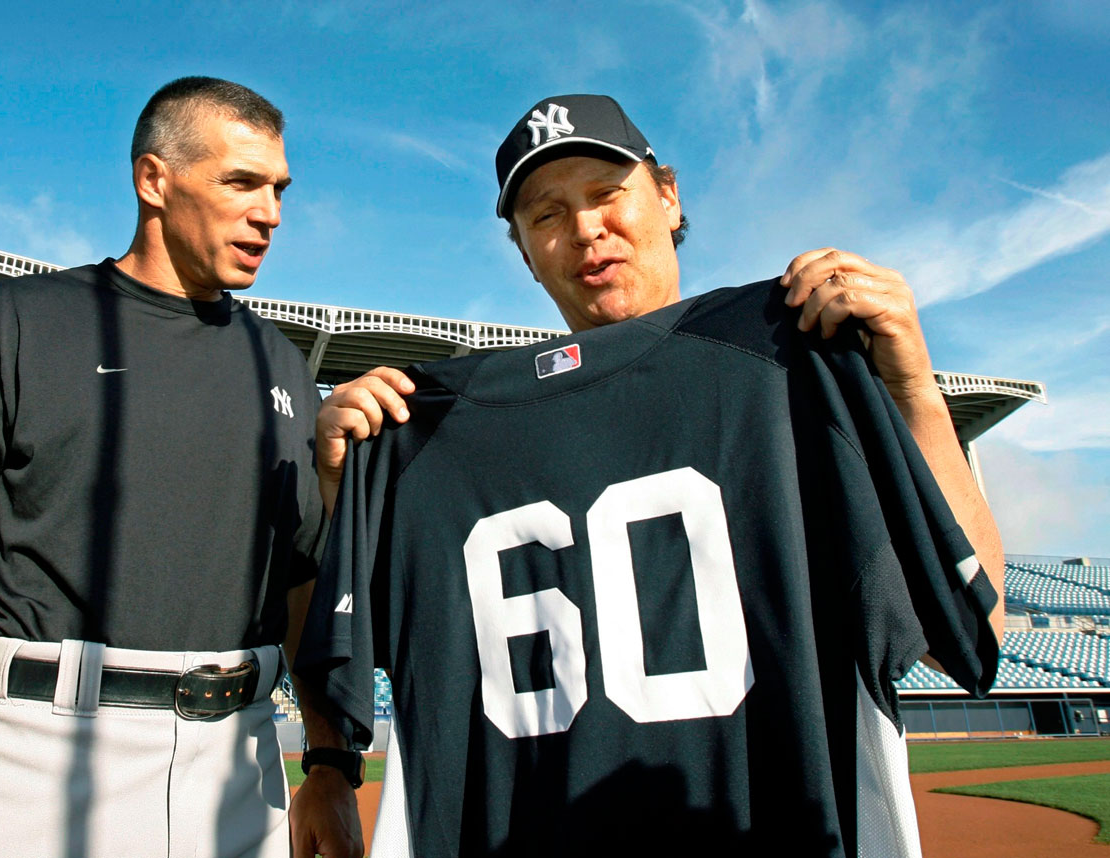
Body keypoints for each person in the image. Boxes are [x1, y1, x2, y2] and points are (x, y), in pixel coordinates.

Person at [302, 94, 1004, 855]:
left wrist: (911, 387)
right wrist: (352, 491)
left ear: (668, 196)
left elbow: (967, 634)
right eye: (547, 214)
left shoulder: (789, 358)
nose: (586, 229)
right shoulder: (426, 432)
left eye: (607, 193)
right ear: (525, 253)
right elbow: (381, 647)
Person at [0, 77, 361, 858]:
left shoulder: (285, 366)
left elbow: (300, 586)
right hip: (37, 758)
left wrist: (329, 763)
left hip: (241, 764)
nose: (270, 213)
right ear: (154, 179)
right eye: (241, 182)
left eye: (279, 189)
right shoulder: (14, 323)